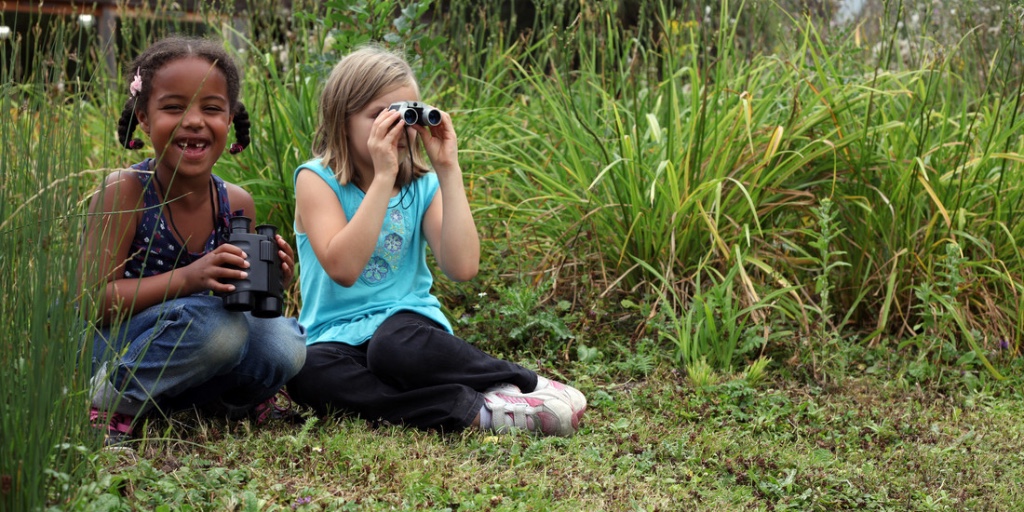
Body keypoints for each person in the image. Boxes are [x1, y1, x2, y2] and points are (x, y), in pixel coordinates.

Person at [286, 45, 586, 436]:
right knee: (304, 372)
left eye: (405, 114)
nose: (396, 127)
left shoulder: (422, 184)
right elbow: (343, 269)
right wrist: (381, 178)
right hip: (334, 335)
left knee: (392, 349)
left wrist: (447, 167)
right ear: (342, 121)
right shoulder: (316, 180)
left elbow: (462, 267)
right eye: (379, 115)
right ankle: (477, 410)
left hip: (404, 329)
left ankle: (527, 382)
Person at [80, 36, 306, 445]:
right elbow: (93, 302)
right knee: (216, 328)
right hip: (117, 348)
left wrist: (271, 282)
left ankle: (232, 400)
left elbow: (237, 305)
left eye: (211, 108)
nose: (194, 120)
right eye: (173, 107)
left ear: (230, 119)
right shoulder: (126, 192)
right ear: (144, 119)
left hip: (200, 347)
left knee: (285, 342)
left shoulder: (235, 202)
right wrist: (190, 277)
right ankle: (111, 402)